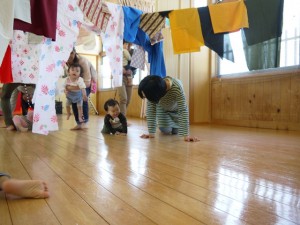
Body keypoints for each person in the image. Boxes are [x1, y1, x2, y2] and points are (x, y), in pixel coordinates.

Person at [138, 75, 199, 142]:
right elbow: (151, 110)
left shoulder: (177, 88)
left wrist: (186, 136)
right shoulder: (154, 89)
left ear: (158, 94)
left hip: (176, 110)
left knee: (176, 131)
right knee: (166, 130)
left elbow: (183, 110)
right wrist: (151, 133)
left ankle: (174, 125)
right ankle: (167, 124)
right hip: (163, 109)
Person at [66, 48, 94, 130]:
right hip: (76, 84)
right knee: (73, 100)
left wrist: (73, 88)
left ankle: (84, 122)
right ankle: (79, 123)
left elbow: (87, 82)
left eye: (71, 53)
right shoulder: (65, 61)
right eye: (67, 52)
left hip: (86, 84)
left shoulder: (82, 61)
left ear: (74, 52)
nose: (69, 56)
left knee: (81, 98)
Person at [117, 41, 136, 116]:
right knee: (123, 99)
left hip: (130, 77)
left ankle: (121, 117)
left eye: (129, 44)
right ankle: (122, 119)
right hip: (120, 77)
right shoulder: (119, 52)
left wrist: (130, 70)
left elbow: (135, 66)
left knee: (128, 100)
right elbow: (113, 65)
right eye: (126, 44)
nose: (127, 46)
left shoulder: (133, 51)